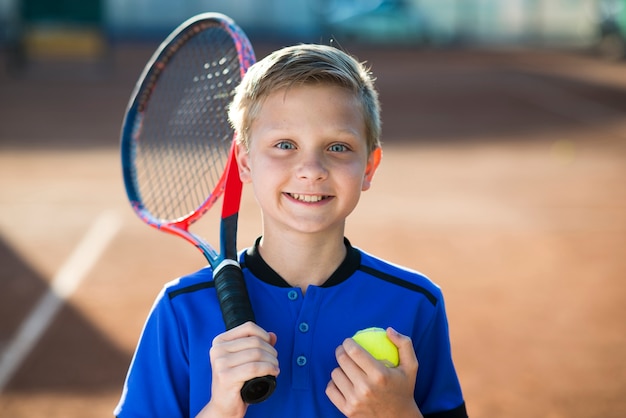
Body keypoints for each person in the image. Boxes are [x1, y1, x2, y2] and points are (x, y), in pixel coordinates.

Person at [115, 44, 467, 418]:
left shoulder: (415, 303)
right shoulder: (183, 309)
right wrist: (219, 409)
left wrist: (401, 414)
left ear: (369, 166)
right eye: (285, 145)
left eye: (338, 146)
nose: (311, 168)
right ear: (244, 161)